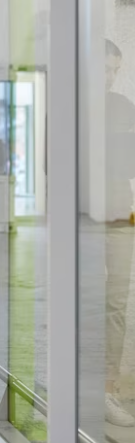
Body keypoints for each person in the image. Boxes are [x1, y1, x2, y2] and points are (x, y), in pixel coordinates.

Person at [103, 39, 135, 427]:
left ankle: (107, 390)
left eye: (116, 70)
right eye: (105, 68)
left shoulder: (125, 107)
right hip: (81, 219)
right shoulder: (66, 106)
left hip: (120, 215)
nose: (111, 76)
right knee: (87, 302)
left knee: (116, 303)